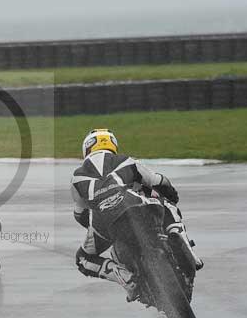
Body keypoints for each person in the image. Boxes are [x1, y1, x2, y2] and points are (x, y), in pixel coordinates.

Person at [71, 128, 203, 300]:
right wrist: (172, 195)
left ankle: (126, 279)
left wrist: (97, 229)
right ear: (113, 144)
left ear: (87, 148)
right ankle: (186, 248)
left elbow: (80, 215)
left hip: (105, 223)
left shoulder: (77, 177)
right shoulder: (127, 161)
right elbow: (158, 180)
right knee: (169, 206)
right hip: (138, 206)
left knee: (83, 258)